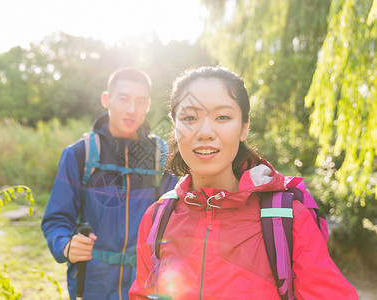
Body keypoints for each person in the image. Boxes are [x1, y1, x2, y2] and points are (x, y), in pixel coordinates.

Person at [129, 66, 358, 299]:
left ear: (244, 127)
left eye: (222, 117)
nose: (205, 132)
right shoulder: (157, 218)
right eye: (189, 118)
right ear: (174, 127)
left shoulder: (287, 218)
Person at [42, 67, 178, 300]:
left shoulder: (161, 156)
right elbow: (56, 219)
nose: (131, 109)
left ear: (148, 105)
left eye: (140, 101)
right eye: (123, 99)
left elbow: (177, 221)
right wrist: (66, 245)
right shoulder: (80, 154)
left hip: (145, 282)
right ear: (107, 99)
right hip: (92, 282)